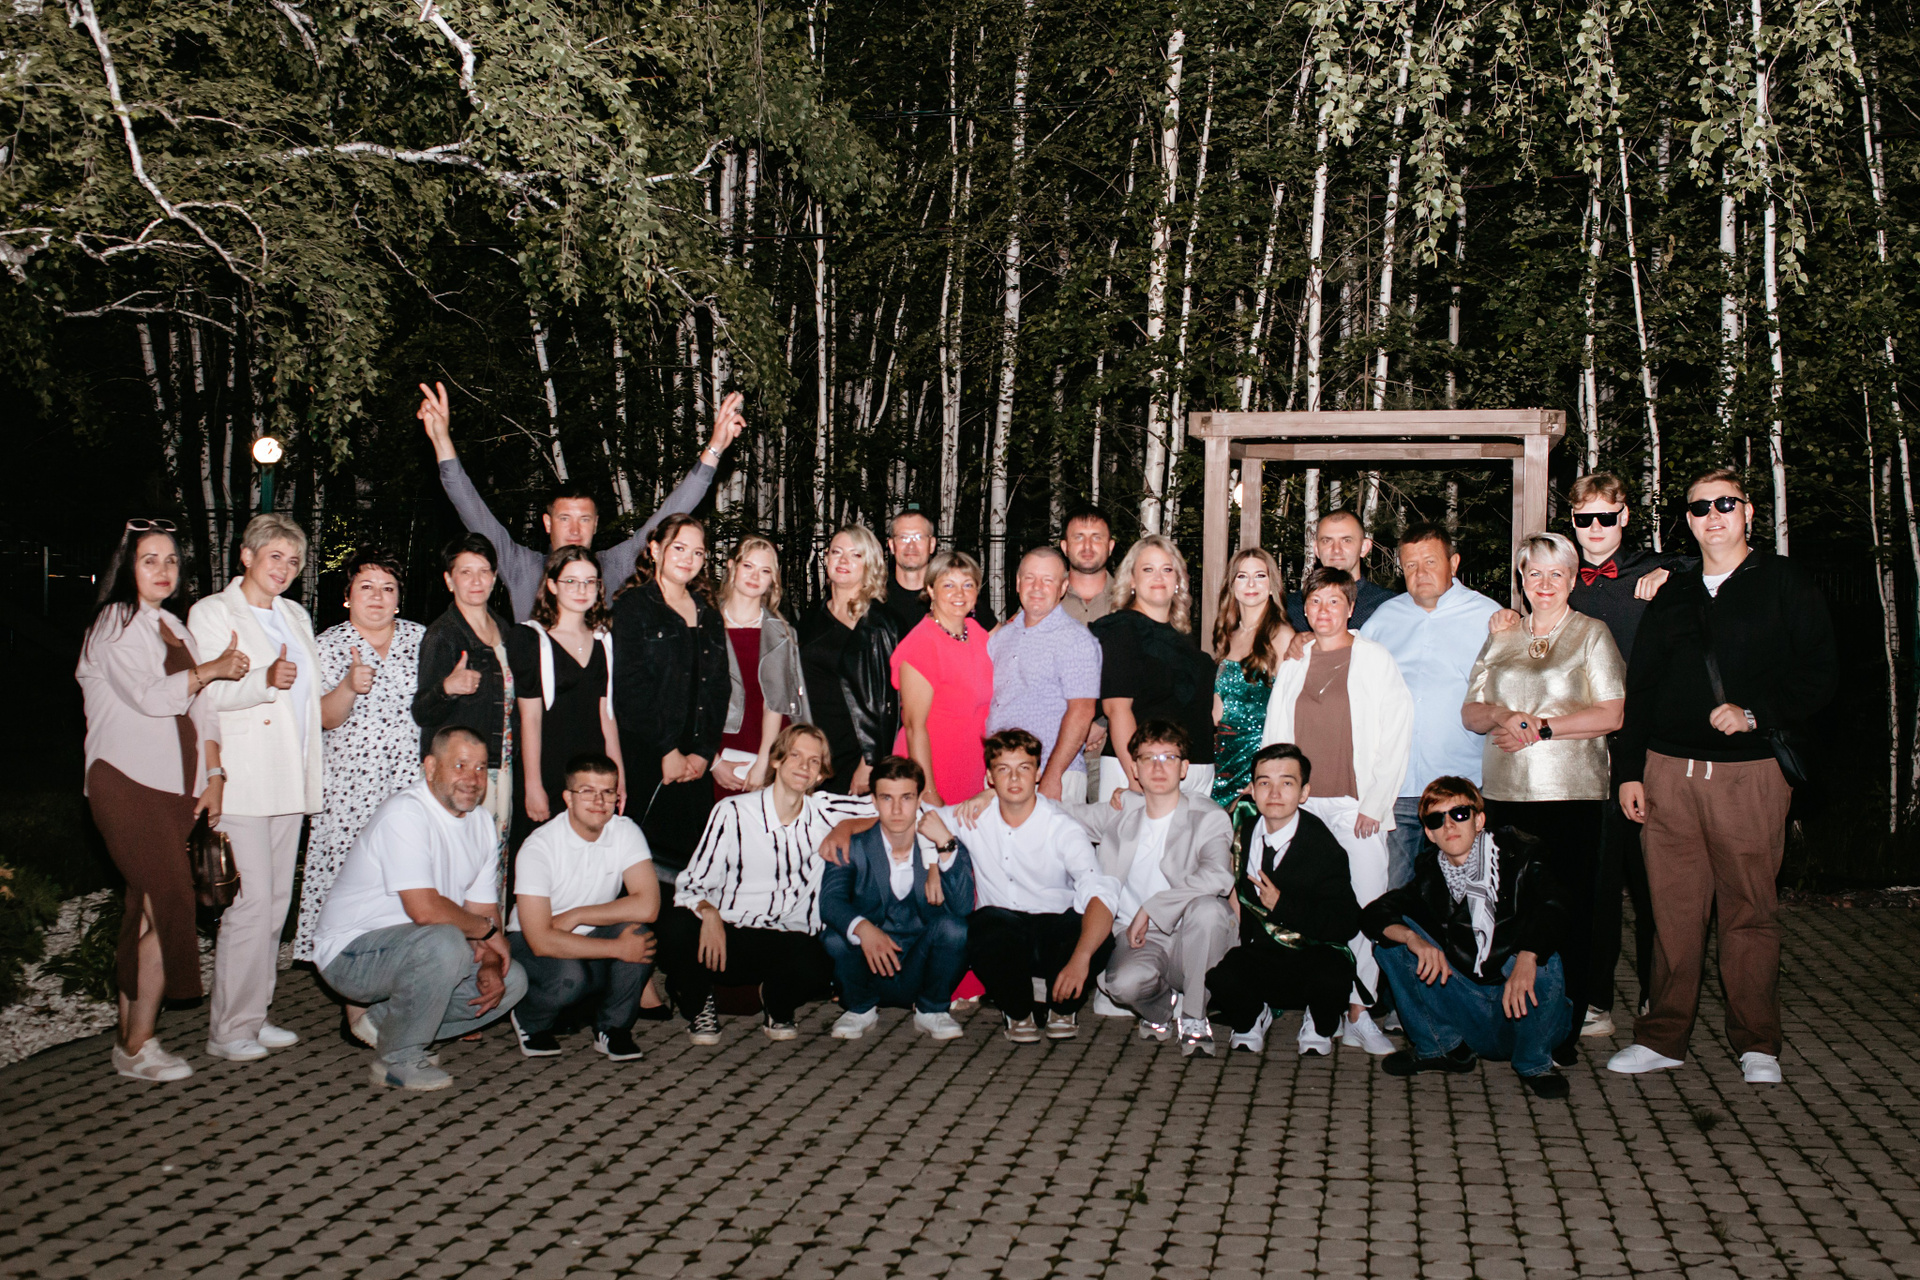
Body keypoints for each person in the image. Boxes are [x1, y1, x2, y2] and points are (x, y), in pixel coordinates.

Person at [1609, 468, 1837, 1085]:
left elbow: (1821, 672)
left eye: (1725, 504)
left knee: (1749, 912)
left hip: (1749, 776)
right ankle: (1663, 1038)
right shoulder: (1674, 591)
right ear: (1687, 520)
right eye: (1700, 507)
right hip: (1667, 772)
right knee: (1672, 914)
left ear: (1749, 512)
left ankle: (1757, 1043)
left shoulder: (1784, 582)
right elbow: (1642, 686)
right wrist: (1630, 771)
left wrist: (1756, 713)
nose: (1713, 515)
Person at [77, 520, 245, 1081]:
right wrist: (212, 669)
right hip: (126, 783)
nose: (163, 570)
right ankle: (139, 1044)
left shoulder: (173, 626)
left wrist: (214, 775)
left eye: (171, 560)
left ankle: (128, 1042)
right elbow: (151, 698)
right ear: (127, 566)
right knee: (170, 901)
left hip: (176, 791)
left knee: (145, 909)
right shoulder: (114, 622)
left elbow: (205, 711)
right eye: (149, 559)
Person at [1463, 531, 1625, 1065]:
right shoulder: (1503, 634)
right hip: (1504, 796)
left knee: (1569, 914)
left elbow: (1612, 713)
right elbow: (1471, 711)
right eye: (1534, 572)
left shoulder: (1591, 634)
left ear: (1573, 579)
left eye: (1556, 573)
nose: (1545, 583)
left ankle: (1562, 1033)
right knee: (1508, 913)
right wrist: (1503, 716)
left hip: (1571, 796)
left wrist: (1542, 729)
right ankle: (1509, 1024)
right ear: (1522, 579)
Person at [416, 381, 746, 622]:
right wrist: (442, 440)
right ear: (547, 523)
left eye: (584, 519)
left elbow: (669, 515)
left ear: (596, 524)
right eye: (565, 519)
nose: (575, 530)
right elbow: (471, 508)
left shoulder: (613, 567)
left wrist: (715, 447)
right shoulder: (523, 569)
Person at [311, 727, 529, 1092]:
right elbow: (425, 910)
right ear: (430, 767)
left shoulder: (480, 823)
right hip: (350, 955)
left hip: (417, 948)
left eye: (480, 768)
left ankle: (384, 1025)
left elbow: (483, 909)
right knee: (445, 943)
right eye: (460, 765)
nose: (472, 778)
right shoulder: (406, 813)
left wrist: (491, 962)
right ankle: (397, 1060)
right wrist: (489, 933)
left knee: (513, 981)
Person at [187, 513, 325, 1063]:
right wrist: (263, 681)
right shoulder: (213, 612)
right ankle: (228, 1030)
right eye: (274, 557)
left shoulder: (295, 615)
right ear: (246, 556)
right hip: (242, 778)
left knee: (275, 906)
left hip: (288, 776)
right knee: (249, 906)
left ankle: (254, 1013)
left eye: (294, 561)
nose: (284, 569)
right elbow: (203, 695)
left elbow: (307, 700)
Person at [1259, 565, 1412, 1056]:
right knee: (1304, 906)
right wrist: (1273, 801)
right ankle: (1317, 1009)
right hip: (1304, 807)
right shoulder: (1295, 659)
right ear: (1304, 609)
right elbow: (1275, 733)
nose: (1323, 610)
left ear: (1350, 607)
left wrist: (1376, 803)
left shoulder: (1374, 658)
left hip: (1356, 806)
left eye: (1334, 601)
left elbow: (1396, 733)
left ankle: (1359, 1013)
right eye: (1315, 601)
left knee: (1365, 907)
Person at [1363, 777, 1573, 1099]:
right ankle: (1442, 1048)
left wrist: (1528, 956)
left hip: (1524, 1010)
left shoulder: (1519, 853)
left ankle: (1534, 1063)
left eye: (1459, 814)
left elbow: (1555, 905)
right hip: (1470, 1006)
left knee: (1543, 959)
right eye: (1436, 820)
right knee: (1393, 940)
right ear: (1429, 834)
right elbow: (1374, 913)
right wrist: (1413, 940)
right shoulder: (1430, 874)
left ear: (1479, 819)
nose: (1449, 825)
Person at [662, 724, 872, 1042]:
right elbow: (690, 884)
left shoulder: (826, 810)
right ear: (776, 760)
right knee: (674, 927)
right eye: (795, 755)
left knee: (825, 956)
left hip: (786, 940)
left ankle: (777, 1002)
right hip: (727, 938)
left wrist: (846, 827)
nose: (804, 766)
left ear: (820, 774)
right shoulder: (732, 812)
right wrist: (708, 912)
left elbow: (897, 809)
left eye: (814, 761)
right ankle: (699, 1004)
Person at [1564, 472, 1682, 1037]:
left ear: (1624, 517)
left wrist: (1672, 572)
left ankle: (1662, 997)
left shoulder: (1653, 570)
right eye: (1584, 518)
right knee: (1598, 881)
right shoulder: (1564, 578)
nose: (1595, 528)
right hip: (1584, 749)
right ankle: (1594, 999)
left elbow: (1715, 564)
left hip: (1647, 749)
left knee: (1656, 879)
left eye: (1605, 517)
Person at [1063, 721, 1235, 1056]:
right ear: (1134, 770)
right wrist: (995, 797)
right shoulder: (1122, 810)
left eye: (1169, 757)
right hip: (1138, 938)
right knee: (1121, 984)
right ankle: (1160, 1009)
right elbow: (1059, 813)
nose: (1158, 767)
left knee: (1209, 910)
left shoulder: (1207, 815)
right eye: (1148, 758)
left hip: (1193, 936)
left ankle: (1194, 1016)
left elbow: (1218, 875)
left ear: (1184, 768)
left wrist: (1153, 907)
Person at [295, 550, 427, 967]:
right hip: (350, 793)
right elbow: (324, 718)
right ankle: (351, 985)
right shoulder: (326, 646)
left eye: (388, 588)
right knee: (349, 889)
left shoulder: (422, 640)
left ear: (398, 598)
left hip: (409, 788)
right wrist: (349, 686)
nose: (377, 597)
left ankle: (406, 974)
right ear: (348, 595)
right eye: (366, 587)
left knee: (407, 882)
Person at [946, 729, 1120, 1043]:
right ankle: (1017, 1011)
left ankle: (1063, 1009)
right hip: (1005, 934)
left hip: (1053, 935)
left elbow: (1099, 892)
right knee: (984, 923)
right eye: (1004, 769)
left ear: (1038, 774)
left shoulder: (1061, 825)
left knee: (1096, 933)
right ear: (990, 777)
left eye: (1024, 768)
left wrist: (1080, 960)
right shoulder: (973, 816)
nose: (1014, 778)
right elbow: (914, 818)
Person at [1359, 523, 1502, 890]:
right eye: (1410, 565)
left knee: (1469, 892)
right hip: (1399, 787)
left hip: (1462, 785)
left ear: (1453, 563)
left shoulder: (1488, 618)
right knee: (1397, 894)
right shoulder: (1384, 619)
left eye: (1430, 562)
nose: (1420, 573)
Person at [1204, 744, 1362, 1057]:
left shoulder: (1322, 845)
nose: (1274, 793)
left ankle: (1320, 1023)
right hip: (1262, 954)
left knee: (1333, 976)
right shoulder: (1242, 830)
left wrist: (1282, 905)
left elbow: (1346, 922)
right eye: (1264, 782)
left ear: (1304, 792)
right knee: (1222, 978)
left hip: (1312, 954)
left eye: (1287, 783)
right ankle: (1254, 1016)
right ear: (1252, 789)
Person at [507, 753, 658, 1062]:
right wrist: (617, 949)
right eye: (587, 791)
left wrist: (577, 915)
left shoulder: (625, 831)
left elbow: (648, 905)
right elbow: (541, 939)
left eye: (608, 792)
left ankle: (613, 1028)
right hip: (530, 941)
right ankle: (531, 1020)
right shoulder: (540, 846)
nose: (599, 801)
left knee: (639, 935)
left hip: (586, 930)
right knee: (570, 976)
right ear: (568, 798)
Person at [608, 514, 729, 879]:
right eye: (679, 548)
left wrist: (703, 753)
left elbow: (718, 687)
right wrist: (667, 751)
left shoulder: (708, 611)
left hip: (695, 763)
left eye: (697, 552)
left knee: (691, 871)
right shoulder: (633, 606)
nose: (688, 559)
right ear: (655, 549)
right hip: (648, 757)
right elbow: (629, 689)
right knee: (642, 868)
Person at [818, 756, 973, 1042]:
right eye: (887, 798)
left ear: (919, 800)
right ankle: (860, 1008)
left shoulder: (941, 842)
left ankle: (932, 1009)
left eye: (907, 797)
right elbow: (830, 902)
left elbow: (963, 907)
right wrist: (863, 928)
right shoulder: (853, 845)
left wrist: (945, 846)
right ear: (874, 801)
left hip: (921, 966)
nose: (898, 809)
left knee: (955, 929)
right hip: (868, 966)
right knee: (834, 937)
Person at [507, 546, 623, 843]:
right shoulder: (530, 639)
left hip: (592, 774)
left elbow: (606, 716)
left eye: (589, 581)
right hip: (549, 767)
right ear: (552, 585)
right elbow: (530, 719)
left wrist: (618, 777)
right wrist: (533, 785)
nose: (581, 590)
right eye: (571, 581)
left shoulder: (603, 641)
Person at [1090, 536, 1219, 802]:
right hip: (1144, 771)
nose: (1158, 577)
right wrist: (1136, 777)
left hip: (1194, 772)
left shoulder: (1184, 640)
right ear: (1132, 580)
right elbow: (1116, 709)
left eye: (1167, 569)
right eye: (1148, 569)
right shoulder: (1121, 630)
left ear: (1178, 581)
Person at [412, 533, 517, 852]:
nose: (476, 581)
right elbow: (422, 712)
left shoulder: (506, 630)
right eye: (465, 572)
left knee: (491, 856)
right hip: (459, 773)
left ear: (494, 577)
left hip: (499, 767)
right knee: (455, 857)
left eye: (484, 571)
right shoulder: (443, 635)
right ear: (449, 580)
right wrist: (448, 688)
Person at [985, 547, 1102, 802]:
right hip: (1000, 774)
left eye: (1048, 580)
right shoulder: (1001, 638)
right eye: (1030, 578)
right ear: (1018, 583)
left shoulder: (1076, 640)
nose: (1037, 587)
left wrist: (1052, 775)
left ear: (1063, 588)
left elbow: (1082, 712)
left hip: (1053, 776)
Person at [797, 525, 903, 795]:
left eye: (856, 555)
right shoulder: (810, 618)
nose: (843, 560)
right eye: (837, 552)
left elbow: (890, 703)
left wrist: (870, 762)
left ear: (870, 564)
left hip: (856, 752)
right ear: (826, 558)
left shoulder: (881, 624)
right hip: (811, 749)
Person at [891, 551, 995, 807]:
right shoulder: (921, 644)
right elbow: (914, 726)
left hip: (972, 772)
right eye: (948, 585)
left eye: (967, 585)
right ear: (931, 590)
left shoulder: (978, 634)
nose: (959, 594)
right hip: (932, 773)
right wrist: (928, 792)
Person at [712, 536, 810, 796]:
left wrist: (765, 760)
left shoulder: (782, 633)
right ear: (732, 566)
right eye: (748, 566)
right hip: (716, 743)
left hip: (770, 743)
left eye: (765, 571)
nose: (755, 576)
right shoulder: (705, 624)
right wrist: (713, 760)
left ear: (772, 580)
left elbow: (775, 703)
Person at [1210, 547, 1292, 804]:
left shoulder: (1282, 636)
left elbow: (1291, 712)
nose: (1251, 584)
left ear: (1272, 586)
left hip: (1260, 760)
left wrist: (1268, 772)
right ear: (1232, 585)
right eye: (1242, 576)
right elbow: (1217, 711)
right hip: (1221, 758)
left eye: (1260, 576)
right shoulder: (1227, 635)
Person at [1059, 507, 1115, 798]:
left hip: (1113, 752)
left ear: (1111, 546)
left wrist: (1103, 721)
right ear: (1065, 546)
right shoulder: (1044, 601)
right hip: (1055, 749)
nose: (1088, 546)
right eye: (1079, 537)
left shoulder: (1130, 602)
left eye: (1097, 537)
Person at [878, 505, 998, 632]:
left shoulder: (956, 598)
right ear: (891, 545)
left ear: (932, 544)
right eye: (903, 537)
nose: (911, 546)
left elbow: (1000, 639)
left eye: (919, 537)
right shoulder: (876, 598)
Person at [1285, 510, 1398, 632]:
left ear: (1364, 548)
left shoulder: (1388, 607)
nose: (1336, 549)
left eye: (1346, 540)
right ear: (1316, 549)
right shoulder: (1289, 609)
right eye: (1327, 541)